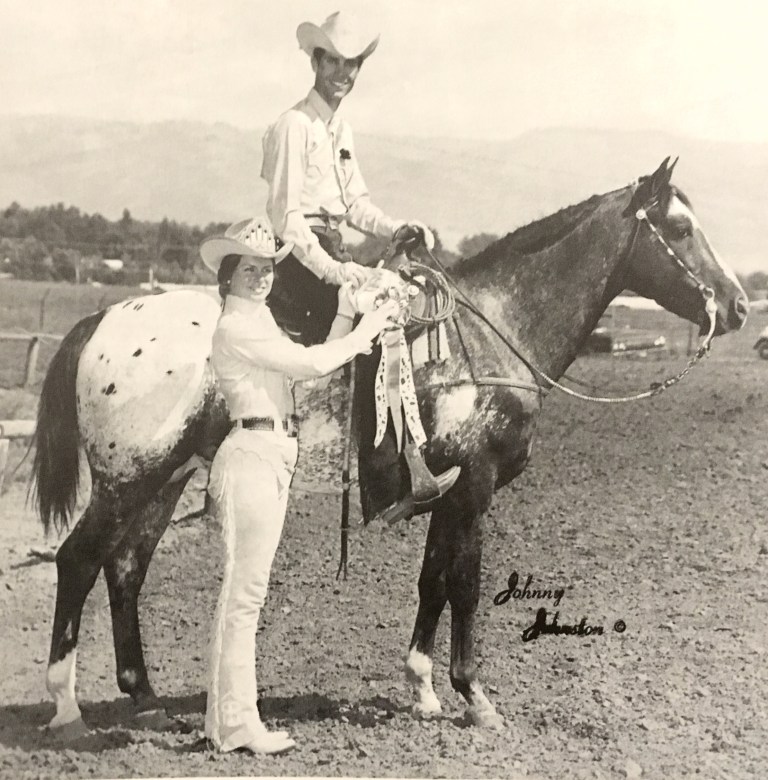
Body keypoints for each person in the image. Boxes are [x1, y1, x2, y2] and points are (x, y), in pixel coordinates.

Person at [199, 216, 399, 755]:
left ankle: (227, 722)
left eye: (266, 269)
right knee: (244, 599)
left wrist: (344, 312)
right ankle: (236, 724)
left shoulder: (258, 320)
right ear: (228, 276)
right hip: (251, 457)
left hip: (271, 454)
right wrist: (366, 330)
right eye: (249, 270)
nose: (261, 278)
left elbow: (313, 363)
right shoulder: (235, 328)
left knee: (246, 596)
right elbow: (311, 364)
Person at [261, 10, 459, 524]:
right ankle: (384, 481)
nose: (344, 74)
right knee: (378, 320)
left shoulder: (339, 129)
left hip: (333, 249)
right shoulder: (293, 127)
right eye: (336, 62)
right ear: (317, 60)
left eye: (353, 65)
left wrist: (396, 228)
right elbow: (287, 219)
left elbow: (355, 206)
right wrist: (334, 271)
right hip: (297, 260)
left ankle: (408, 457)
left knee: (408, 299)